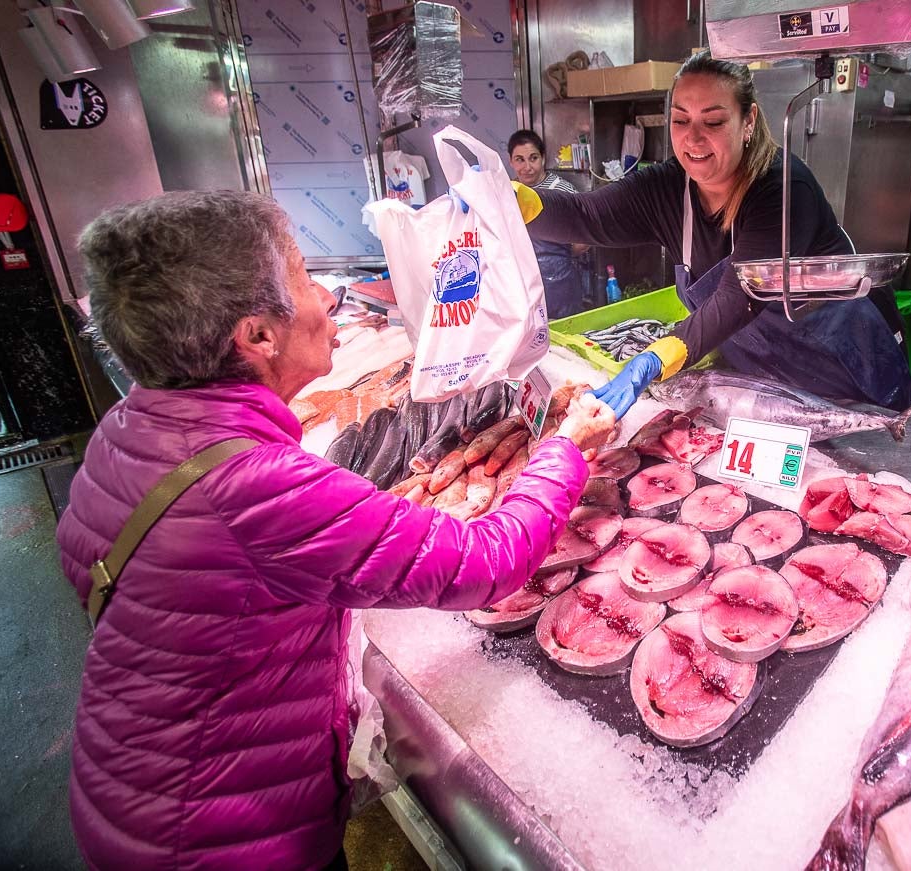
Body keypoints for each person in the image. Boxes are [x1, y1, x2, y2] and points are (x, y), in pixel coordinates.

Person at [56, 190, 615, 870]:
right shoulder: (257, 485)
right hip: (221, 838)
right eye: (301, 277)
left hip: (130, 787)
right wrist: (568, 448)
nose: (325, 298)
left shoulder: (128, 429)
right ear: (257, 335)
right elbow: (482, 562)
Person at [513, 50, 911, 417]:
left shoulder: (784, 188)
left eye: (714, 121)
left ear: (748, 122)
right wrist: (515, 201)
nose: (693, 138)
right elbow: (586, 214)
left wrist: (656, 357)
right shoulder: (669, 187)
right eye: (681, 120)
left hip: (846, 369)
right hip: (767, 377)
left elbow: (739, 295)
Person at [508, 129, 589, 318]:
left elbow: (586, 237)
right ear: (510, 161)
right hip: (521, 286)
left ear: (543, 158)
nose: (527, 167)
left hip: (561, 286)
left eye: (533, 158)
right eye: (519, 159)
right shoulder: (508, 193)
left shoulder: (561, 191)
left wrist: (557, 258)